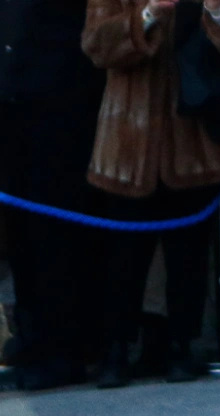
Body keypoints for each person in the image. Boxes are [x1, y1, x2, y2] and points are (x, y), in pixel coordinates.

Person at [82, 0, 220, 388]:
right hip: (128, 146)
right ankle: (117, 349)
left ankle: (182, 345)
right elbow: (96, 45)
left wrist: (216, 10)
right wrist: (147, 14)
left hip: (193, 141)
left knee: (189, 258)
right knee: (123, 259)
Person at [0, 0, 106, 390]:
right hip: (13, 100)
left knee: (54, 237)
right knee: (21, 234)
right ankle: (33, 339)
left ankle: (63, 350)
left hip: (62, 100)